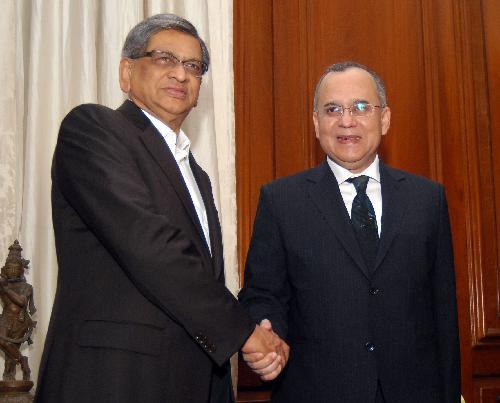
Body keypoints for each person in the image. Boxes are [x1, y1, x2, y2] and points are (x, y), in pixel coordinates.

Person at [35, 13, 286, 403]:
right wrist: (244, 331)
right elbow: (151, 246)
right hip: (114, 381)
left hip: (192, 381)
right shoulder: (94, 130)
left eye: (193, 66)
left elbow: (200, 277)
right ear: (127, 72)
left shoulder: (197, 175)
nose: (181, 74)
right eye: (165, 59)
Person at [239, 61, 461, 402]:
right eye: (332, 109)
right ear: (316, 123)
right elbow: (263, 295)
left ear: (384, 119)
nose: (347, 121)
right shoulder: (281, 201)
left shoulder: (427, 199)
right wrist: (268, 336)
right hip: (316, 391)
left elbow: (443, 315)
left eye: (361, 107)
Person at [0, 240, 36, 382]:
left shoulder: (26, 287)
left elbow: (21, 302)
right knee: (3, 341)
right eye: (9, 269)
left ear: (21, 270)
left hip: (20, 320)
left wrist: (6, 289)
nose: (12, 271)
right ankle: (22, 360)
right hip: (5, 318)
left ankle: (8, 379)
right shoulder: (3, 285)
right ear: (4, 270)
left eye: (15, 268)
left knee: (9, 355)